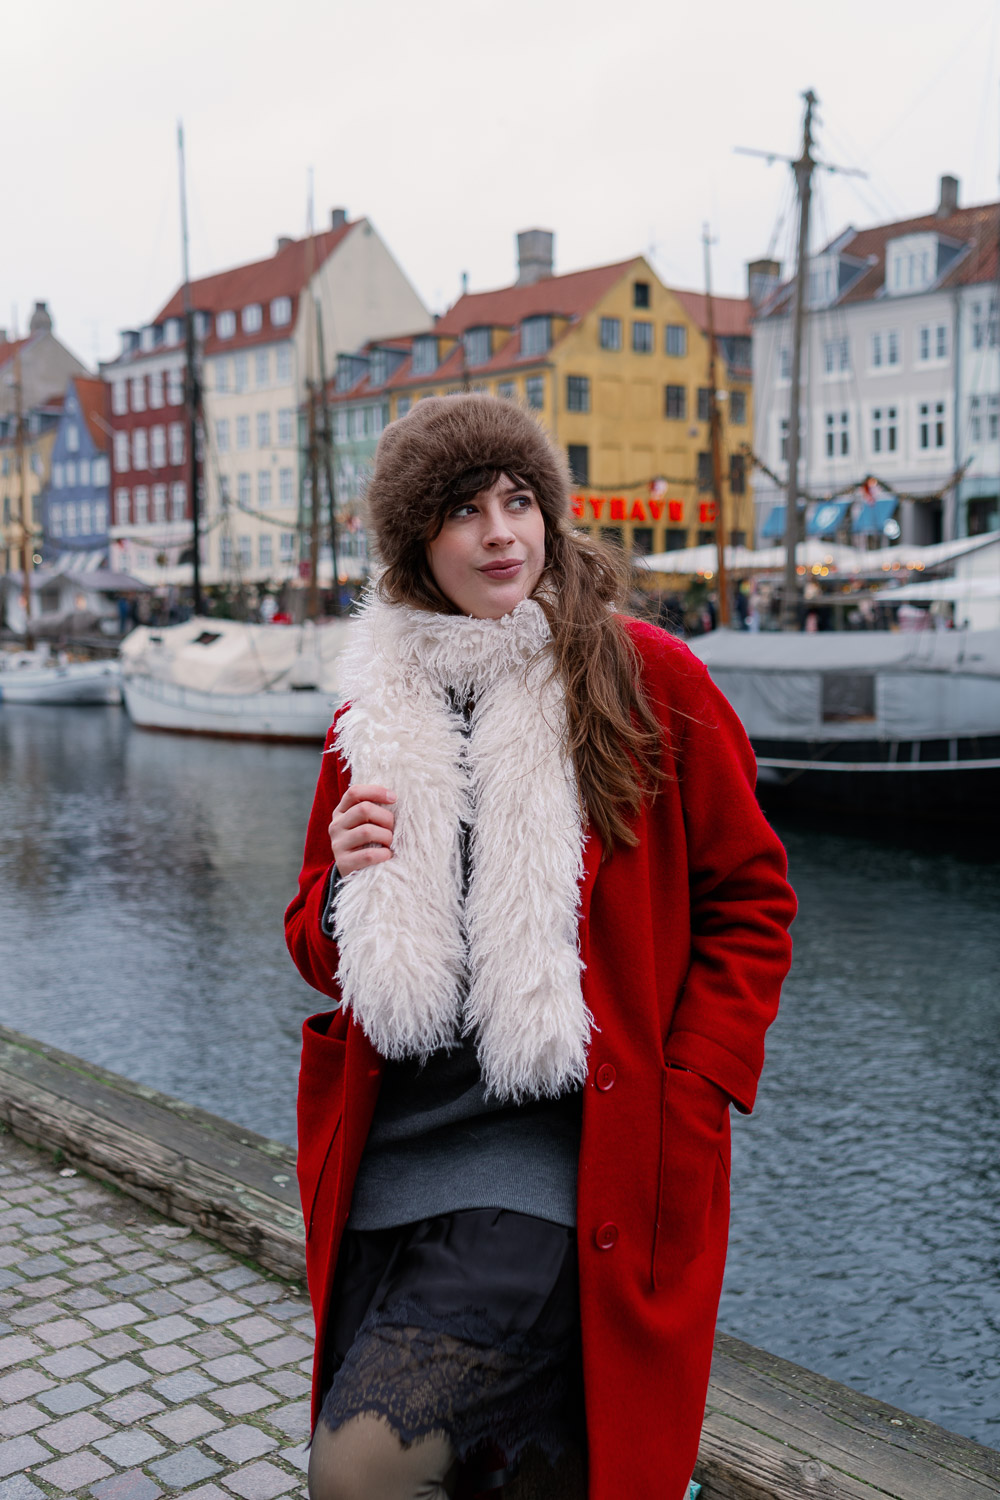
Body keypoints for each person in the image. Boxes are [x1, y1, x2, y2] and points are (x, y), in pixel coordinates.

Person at [285, 394, 796, 1500]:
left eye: (518, 502)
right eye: (463, 512)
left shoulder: (644, 675)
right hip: (391, 1144)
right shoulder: (373, 710)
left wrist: (695, 1079)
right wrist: (340, 891)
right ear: (415, 543)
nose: (500, 534)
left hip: (566, 1151)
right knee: (513, 1477)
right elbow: (315, 945)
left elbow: (753, 896)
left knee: (355, 1475)